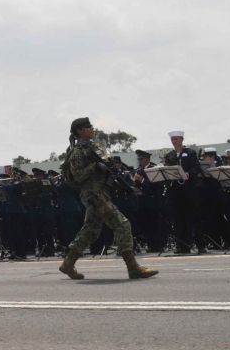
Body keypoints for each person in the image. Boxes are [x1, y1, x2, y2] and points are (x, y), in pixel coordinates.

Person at [58, 117, 157, 280]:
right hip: (94, 196)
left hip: (100, 194)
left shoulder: (92, 149)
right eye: (89, 127)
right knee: (122, 225)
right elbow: (78, 176)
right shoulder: (77, 152)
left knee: (90, 231)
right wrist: (95, 166)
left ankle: (68, 264)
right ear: (80, 131)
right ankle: (133, 267)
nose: (92, 129)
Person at [131, 150, 167, 253]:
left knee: (155, 224)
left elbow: (157, 184)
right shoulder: (138, 170)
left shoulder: (154, 169)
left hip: (153, 201)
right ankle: (150, 244)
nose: (140, 161)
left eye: (141, 159)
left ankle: (158, 245)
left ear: (147, 159)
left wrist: (142, 180)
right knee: (145, 225)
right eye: (139, 159)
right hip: (142, 202)